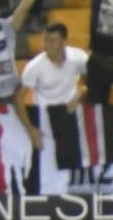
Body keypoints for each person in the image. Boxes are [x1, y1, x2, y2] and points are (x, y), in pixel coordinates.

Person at [17, 23, 87, 194]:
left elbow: (89, 83)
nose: (47, 45)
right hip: (45, 117)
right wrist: (31, 130)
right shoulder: (35, 66)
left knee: (74, 161)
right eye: (45, 40)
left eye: (52, 41)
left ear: (64, 42)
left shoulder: (78, 58)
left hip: (70, 114)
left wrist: (80, 97)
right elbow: (18, 98)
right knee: (49, 166)